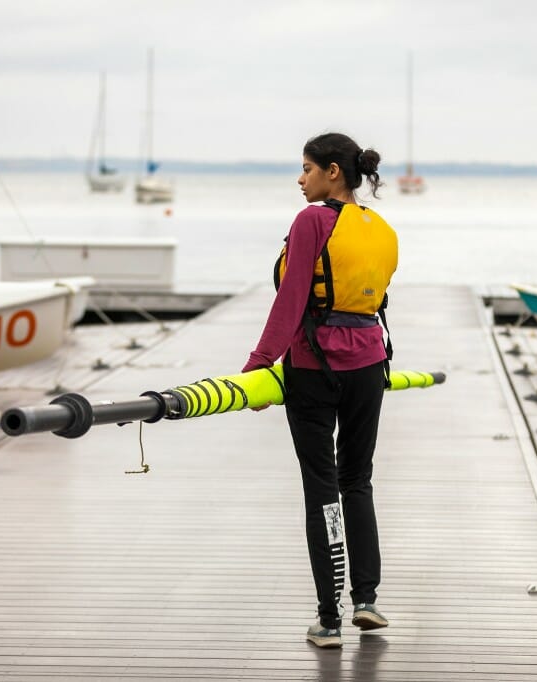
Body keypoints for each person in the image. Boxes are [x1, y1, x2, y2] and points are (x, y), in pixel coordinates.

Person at [242, 132, 398, 649]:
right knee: (359, 479)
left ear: (334, 171)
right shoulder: (381, 228)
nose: (300, 177)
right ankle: (368, 600)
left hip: (315, 367)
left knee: (322, 487)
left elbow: (291, 300)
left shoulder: (313, 220)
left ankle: (329, 619)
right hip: (370, 364)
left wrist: (258, 367)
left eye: (307, 167)